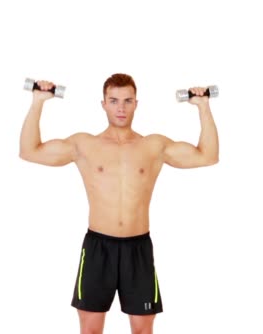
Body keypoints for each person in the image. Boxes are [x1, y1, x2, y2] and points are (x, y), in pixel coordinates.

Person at [19, 73, 219, 334]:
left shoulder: (154, 145)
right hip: (97, 248)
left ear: (137, 103)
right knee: (90, 331)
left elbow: (208, 156)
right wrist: (38, 102)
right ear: (103, 104)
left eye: (127, 101)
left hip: (138, 249)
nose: (121, 108)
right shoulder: (84, 144)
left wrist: (203, 107)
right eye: (113, 101)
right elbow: (29, 151)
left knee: (142, 331)